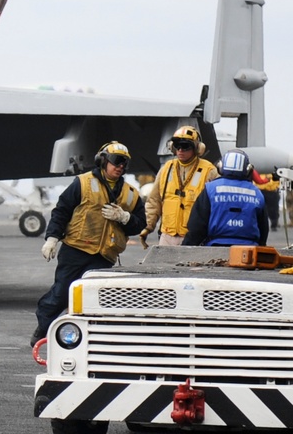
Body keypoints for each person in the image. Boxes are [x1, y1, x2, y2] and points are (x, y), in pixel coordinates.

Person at [31, 141, 144, 346]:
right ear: (103, 161)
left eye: (124, 163)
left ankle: (89, 340)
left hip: (104, 255)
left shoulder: (131, 195)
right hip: (76, 249)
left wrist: (125, 218)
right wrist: (52, 239)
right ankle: (43, 330)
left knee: (94, 299)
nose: (120, 166)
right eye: (116, 161)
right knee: (62, 293)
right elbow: (61, 211)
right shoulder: (82, 183)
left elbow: (140, 225)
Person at [141, 126, 218, 247]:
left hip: (194, 238)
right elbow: (154, 201)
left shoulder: (209, 171)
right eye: (177, 146)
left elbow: (216, 206)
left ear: (197, 148)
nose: (180, 150)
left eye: (185, 146)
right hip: (167, 236)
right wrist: (148, 227)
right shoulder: (167, 168)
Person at [183, 149, 268, 247]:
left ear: (220, 166)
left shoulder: (210, 189)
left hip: (215, 248)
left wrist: (186, 248)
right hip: (249, 251)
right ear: (248, 169)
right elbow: (263, 228)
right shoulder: (256, 193)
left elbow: (197, 226)